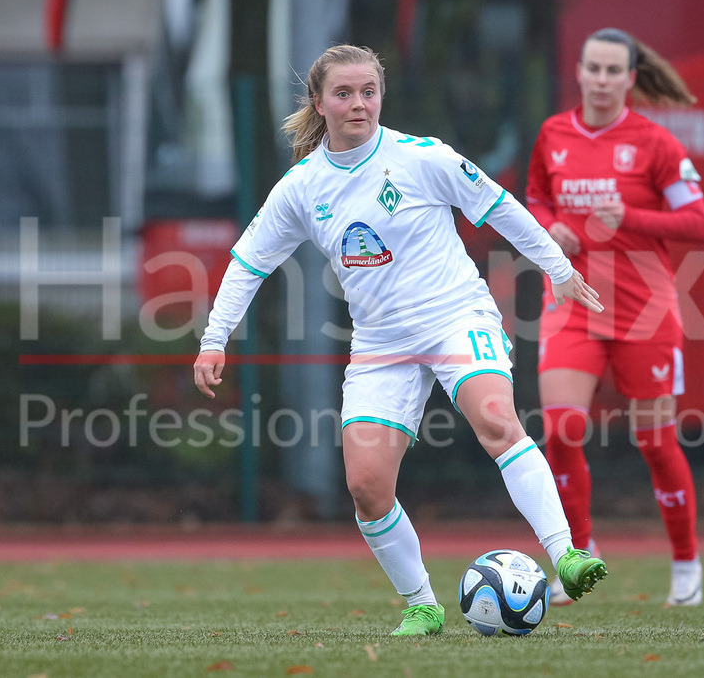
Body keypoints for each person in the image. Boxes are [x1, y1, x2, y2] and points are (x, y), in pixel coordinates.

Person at [193, 44, 608, 636]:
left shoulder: (422, 157)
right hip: (381, 342)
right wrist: (215, 339)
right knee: (365, 486)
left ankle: (565, 553)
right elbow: (248, 263)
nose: (358, 103)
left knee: (495, 418)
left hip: (454, 315)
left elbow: (498, 207)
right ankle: (422, 603)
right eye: (343, 93)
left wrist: (557, 269)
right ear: (319, 102)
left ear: (381, 95)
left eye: (368, 91)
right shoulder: (302, 187)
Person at [526, 28, 704, 607]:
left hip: (644, 311)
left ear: (631, 79)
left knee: (656, 444)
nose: (602, 80)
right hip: (570, 305)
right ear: (578, 73)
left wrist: (629, 215)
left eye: (614, 71)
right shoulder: (553, 134)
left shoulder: (655, 143)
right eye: (593, 69)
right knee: (559, 430)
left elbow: (699, 225)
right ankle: (578, 557)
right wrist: (546, 225)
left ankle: (686, 564)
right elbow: (534, 197)